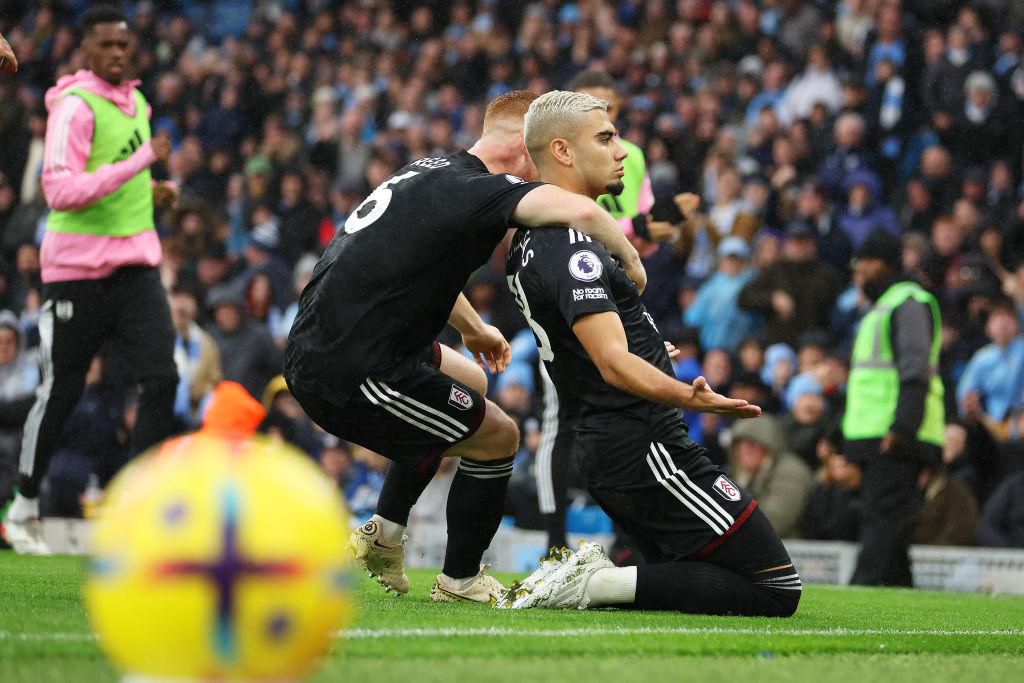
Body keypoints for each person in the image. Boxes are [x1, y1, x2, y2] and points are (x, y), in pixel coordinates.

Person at [283, 90, 645, 604]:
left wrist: (473, 329)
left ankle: (384, 531)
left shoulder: (434, 172)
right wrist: (629, 255)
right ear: (525, 145)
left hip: (350, 337)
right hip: (351, 367)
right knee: (498, 436)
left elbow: (418, 264)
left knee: (471, 382)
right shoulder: (481, 189)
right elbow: (578, 211)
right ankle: (460, 581)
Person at [503, 91, 799, 617]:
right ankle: (588, 583)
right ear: (563, 152)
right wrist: (692, 395)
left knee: (687, 583)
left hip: (617, 443)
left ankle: (598, 583)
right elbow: (613, 362)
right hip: (644, 445)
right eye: (606, 138)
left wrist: (646, 342)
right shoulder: (566, 243)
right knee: (776, 585)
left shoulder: (540, 237)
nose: (622, 151)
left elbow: (589, 343)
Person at [2, 6, 178, 555]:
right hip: (75, 272)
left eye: (125, 45)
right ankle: (25, 505)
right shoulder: (75, 108)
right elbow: (59, 191)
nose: (119, 53)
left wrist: (153, 192)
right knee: (63, 389)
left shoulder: (138, 104)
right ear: (86, 52)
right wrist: (142, 162)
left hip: (135, 267)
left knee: (162, 379)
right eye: (107, 46)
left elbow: (119, 180)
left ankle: (136, 513)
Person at [533, 70, 674, 550]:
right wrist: (633, 236)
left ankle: (627, 537)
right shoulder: (561, 164)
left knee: (625, 410)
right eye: (599, 118)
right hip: (574, 283)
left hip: (618, 289)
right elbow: (586, 213)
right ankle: (554, 542)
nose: (611, 131)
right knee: (563, 419)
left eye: (612, 113)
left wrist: (657, 229)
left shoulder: (629, 158)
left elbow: (646, 230)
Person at [843, 229, 945, 586]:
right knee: (891, 528)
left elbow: (915, 371)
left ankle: (861, 592)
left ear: (883, 263)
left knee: (881, 522)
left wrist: (902, 429)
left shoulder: (907, 302)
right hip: (879, 433)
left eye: (865, 264)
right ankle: (902, 593)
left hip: (896, 433)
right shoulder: (885, 307)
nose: (860, 273)